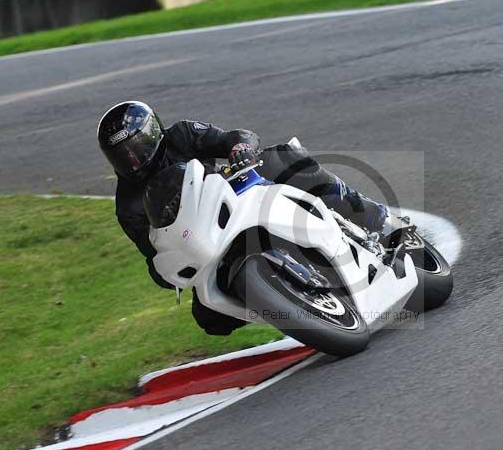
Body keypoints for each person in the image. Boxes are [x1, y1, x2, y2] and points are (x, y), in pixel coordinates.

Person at [97, 100, 387, 336]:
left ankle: (365, 210)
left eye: (135, 148)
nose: (132, 160)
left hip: (235, 192)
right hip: (206, 239)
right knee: (210, 319)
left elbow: (233, 137)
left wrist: (240, 148)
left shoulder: (182, 135)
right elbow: (152, 256)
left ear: (153, 134)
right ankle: (288, 299)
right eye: (121, 156)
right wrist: (169, 270)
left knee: (284, 160)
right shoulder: (127, 205)